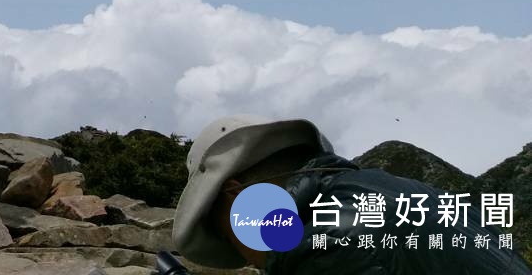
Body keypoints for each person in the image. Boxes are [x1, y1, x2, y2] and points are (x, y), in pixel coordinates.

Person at [173, 114, 530, 273]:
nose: (251, 261)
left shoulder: (325, 243)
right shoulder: (397, 190)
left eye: (227, 234)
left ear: (237, 198)